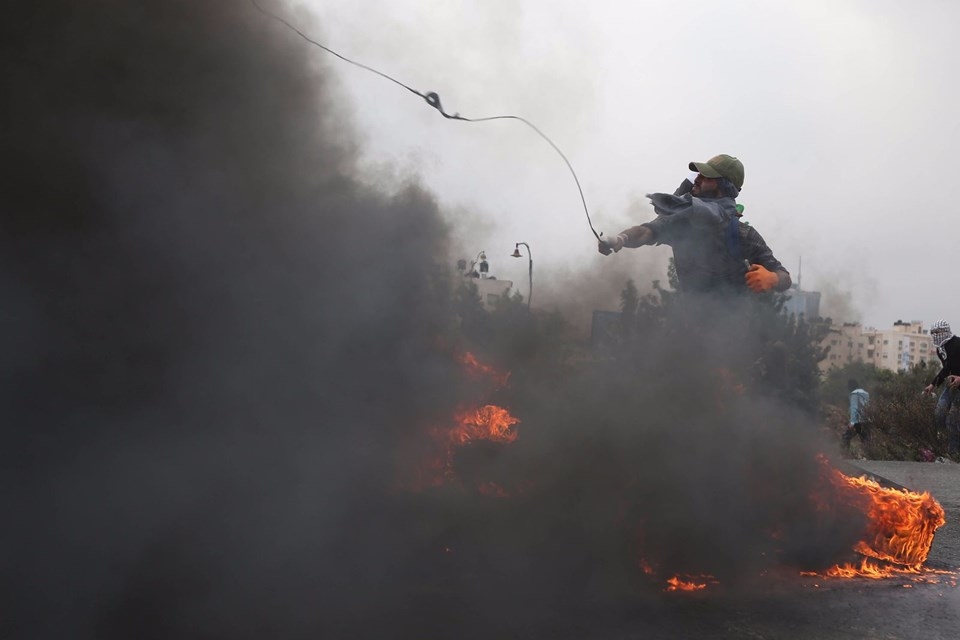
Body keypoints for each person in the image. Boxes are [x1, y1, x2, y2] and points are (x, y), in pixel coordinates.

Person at [598, 154, 791, 296]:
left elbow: (784, 277)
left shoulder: (741, 234)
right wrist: (619, 239)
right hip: (690, 327)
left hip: (732, 333)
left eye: (706, 176)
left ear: (723, 186)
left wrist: (772, 278)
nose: (697, 179)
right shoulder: (684, 222)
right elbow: (646, 231)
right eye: (699, 174)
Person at [923, 319, 960, 459]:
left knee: (953, 419)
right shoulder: (940, 349)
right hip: (951, 386)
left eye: (937, 332)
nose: (935, 335)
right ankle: (943, 442)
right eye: (933, 333)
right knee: (939, 411)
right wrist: (933, 384)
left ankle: (953, 453)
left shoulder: (958, 344)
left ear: (945, 331)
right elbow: (946, 368)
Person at [842, 379, 870, 448]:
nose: (848, 388)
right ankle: (870, 455)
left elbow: (854, 408)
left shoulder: (854, 394)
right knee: (866, 440)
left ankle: (845, 455)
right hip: (866, 420)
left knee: (846, 437)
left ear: (851, 386)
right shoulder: (865, 393)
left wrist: (852, 422)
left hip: (857, 421)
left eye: (848, 386)